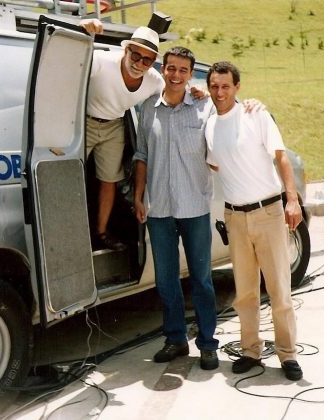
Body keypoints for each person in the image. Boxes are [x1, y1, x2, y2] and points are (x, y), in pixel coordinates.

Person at [205, 61, 303, 380]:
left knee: (279, 289)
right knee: (245, 291)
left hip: (268, 212)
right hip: (235, 216)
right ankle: (250, 350)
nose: (220, 92)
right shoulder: (209, 125)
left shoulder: (255, 114)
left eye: (226, 86)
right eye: (214, 86)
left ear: (237, 88)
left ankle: (287, 354)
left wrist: (291, 198)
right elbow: (216, 165)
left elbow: (281, 156)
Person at [80, 19, 206, 251]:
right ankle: (73, 235)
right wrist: (82, 30)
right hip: (82, 123)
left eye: (146, 60)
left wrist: (196, 89)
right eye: (135, 55)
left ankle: (100, 234)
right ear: (126, 50)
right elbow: (73, 65)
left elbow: (175, 88)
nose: (139, 63)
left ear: (152, 64)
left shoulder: (154, 81)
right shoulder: (101, 61)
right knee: (70, 178)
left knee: (109, 180)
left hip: (114, 125)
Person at [133, 46, 219, 370]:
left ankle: (208, 344)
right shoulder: (147, 110)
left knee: (202, 279)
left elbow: (223, 134)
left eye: (183, 70)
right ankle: (176, 339)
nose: (176, 75)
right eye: (171, 68)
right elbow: (141, 155)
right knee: (166, 281)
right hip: (159, 209)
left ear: (191, 73)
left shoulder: (203, 107)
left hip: (195, 206)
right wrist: (139, 196)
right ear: (163, 69)